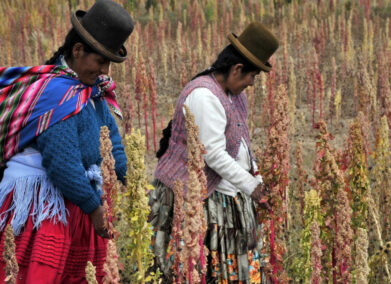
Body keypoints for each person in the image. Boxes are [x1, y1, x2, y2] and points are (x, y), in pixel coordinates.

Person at [0, 0, 133, 282]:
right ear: (77, 51)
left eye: (109, 63)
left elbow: (113, 143)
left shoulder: (93, 94)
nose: (105, 71)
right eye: (101, 61)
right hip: (42, 203)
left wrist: (126, 186)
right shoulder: (58, 94)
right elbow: (62, 163)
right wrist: (94, 206)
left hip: (79, 197)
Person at [150, 22, 279, 283]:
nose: (253, 83)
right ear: (237, 69)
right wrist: (251, 186)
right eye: (252, 76)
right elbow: (213, 155)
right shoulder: (204, 97)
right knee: (197, 268)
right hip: (195, 194)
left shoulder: (233, 94)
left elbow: (241, 144)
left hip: (225, 192)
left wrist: (257, 178)